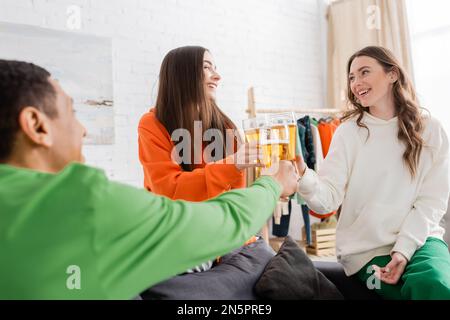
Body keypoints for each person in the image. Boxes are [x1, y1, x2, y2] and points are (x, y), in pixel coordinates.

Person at [0, 59, 299, 299]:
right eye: (71, 112)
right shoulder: (86, 203)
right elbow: (210, 216)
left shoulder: (225, 126)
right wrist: (271, 183)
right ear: (36, 126)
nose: (83, 130)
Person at [295, 46, 450, 300]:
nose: (356, 83)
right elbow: (327, 200)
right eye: (352, 77)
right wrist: (304, 174)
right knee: (404, 294)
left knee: (433, 286)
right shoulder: (347, 133)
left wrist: (403, 250)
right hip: (365, 252)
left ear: (392, 75)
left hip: (422, 241)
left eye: (364, 72)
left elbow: (432, 202)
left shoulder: (430, 130)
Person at [138, 46, 263, 272]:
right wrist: (232, 164)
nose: (217, 76)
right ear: (183, 74)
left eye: (215, 68)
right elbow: (169, 190)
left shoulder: (224, 127)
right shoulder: (152, 124)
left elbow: (235, 198)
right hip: (178, 235)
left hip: (224, 237)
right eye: (207, 68)